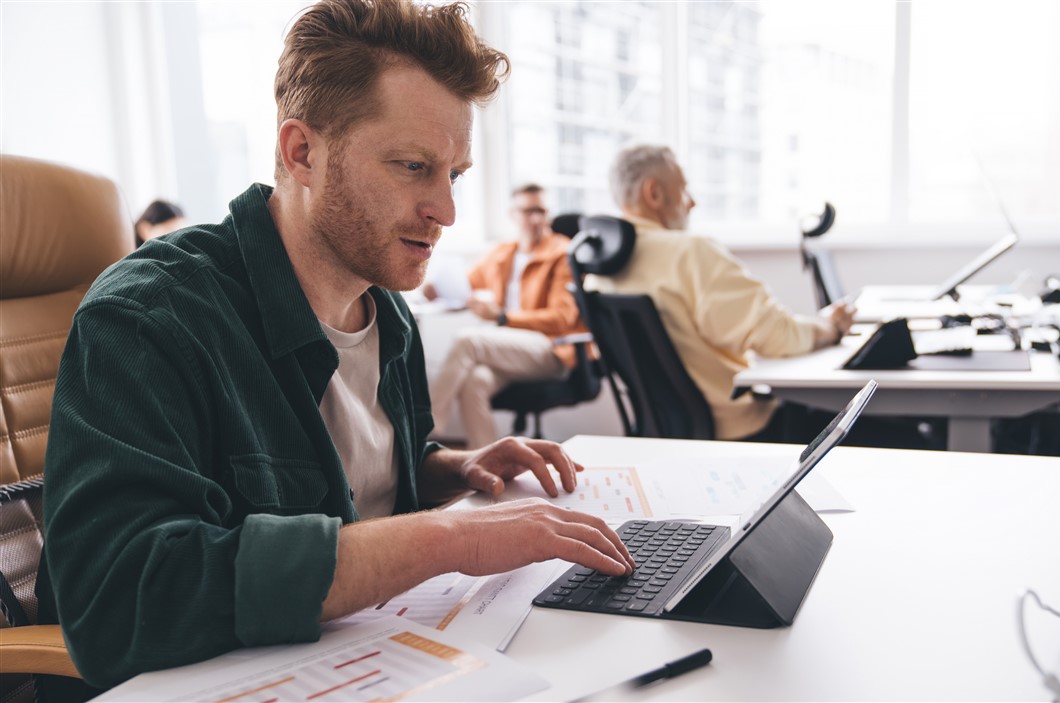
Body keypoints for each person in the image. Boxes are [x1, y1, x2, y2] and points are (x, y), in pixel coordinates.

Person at [38, 2, 633, 699]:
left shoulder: (388, 310)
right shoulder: (151, 316)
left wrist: (450, 468)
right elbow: (120, 601)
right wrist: (455, 540)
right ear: (302, 153)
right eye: (413, 166)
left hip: (372, 657)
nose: (446, 210)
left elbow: (349, 475)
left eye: (455, 174)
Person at [587, 144, 855, 443]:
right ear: (654, 194)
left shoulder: (596, 274)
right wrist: (831, 327)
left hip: (665, 435)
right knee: (891, 431)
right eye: (684, 190)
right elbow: (779, 336)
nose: (692, 203)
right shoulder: (689, 254)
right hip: (743, 431)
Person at [428, 183, 589, 448]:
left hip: (550, 348)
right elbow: (466, 284)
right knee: (476, 381)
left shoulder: (561, 253)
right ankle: (486, 463)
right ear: (513, 214)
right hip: (511, 348)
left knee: (468, 340)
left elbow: (563, 317)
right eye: (528, 211)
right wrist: (436, 289)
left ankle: (427, 427)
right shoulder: (503, 254)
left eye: (541, 211)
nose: (536, 218)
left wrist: (504, 317)